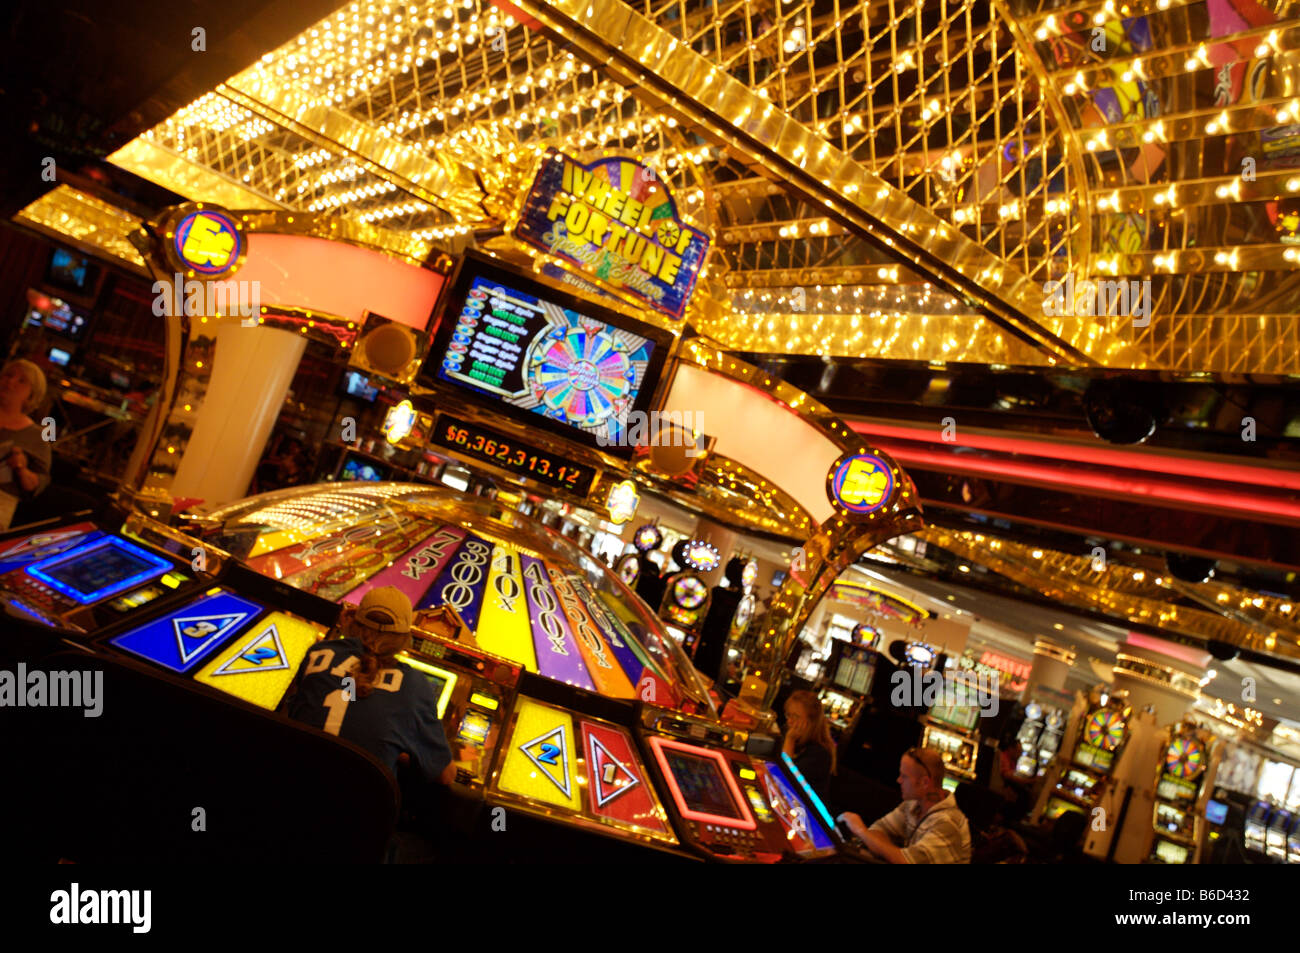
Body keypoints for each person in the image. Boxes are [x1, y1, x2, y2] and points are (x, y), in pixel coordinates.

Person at [285, 586, 456, 789]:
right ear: (405, 638)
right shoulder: (415, 685)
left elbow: (346, 699)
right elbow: (445, 775)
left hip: (289, 788)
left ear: (354, 620)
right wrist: (402, 750)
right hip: (356, 813)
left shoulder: (319, 653)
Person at [837, 747, 971, 863]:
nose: (898, 780)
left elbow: (906, 861)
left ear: (924, 782)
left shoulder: (948, 823)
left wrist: (861, 831)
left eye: (904, 776)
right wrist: (894, 854)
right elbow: (878, 830)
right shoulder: (912, 804)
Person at [0, 360, 52, 506]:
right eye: (8, 375)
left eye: (22, 381)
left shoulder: (36, 437)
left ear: (31, 396)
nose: (10, 381)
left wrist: (21, 469)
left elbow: (38, 484)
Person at [782, 689, 836, 805]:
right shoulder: (791, 735)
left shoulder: (820, 753)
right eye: (788, 715)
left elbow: (785, 779)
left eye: (795, 717)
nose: (789, 721)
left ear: (812, 722)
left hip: (807, 813)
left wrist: (789, 740)